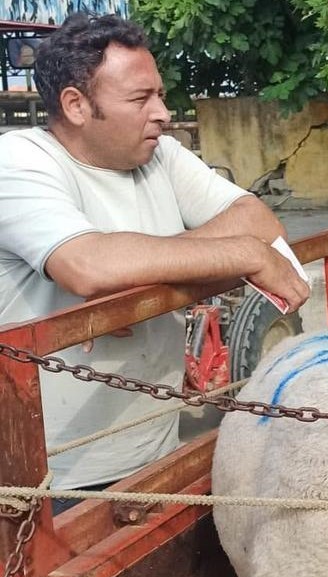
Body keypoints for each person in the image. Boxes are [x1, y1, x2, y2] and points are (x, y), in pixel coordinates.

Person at [0, 13, 310, 505]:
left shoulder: (159, 155)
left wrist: (133, 282)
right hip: (51, 477)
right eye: (141, 98)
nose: (163, 113)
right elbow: (87, 266)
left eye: (159, 94)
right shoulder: (18, 162)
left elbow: (260, 223)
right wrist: (239, 256)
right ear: (77, 105)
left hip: (156, 450)